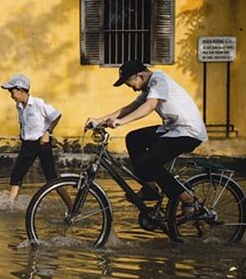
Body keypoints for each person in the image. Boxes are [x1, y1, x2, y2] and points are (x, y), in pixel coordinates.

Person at [85, 59, 208, 218]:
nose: (132, 89)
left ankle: (188, 199)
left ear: (140, 76)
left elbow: (149, 107)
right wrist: (100, 120)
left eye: (131, 84)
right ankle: (150, 188)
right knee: (134, 139)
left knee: (149, 161)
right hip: (173, 129)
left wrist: (121, 122)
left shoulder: (159, 80)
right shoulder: (149, 87)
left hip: (188, 131)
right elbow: (130, 108)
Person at [1, 74, 62, 201]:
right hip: (27, 145)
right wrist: (22, 134)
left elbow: (56, 116)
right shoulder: (19, 106)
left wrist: (48, 132)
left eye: (12, 92)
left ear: (20, 90)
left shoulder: (38, 103)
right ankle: (10, 205)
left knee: (52, 179)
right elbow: (24, 123)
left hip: (42, 144)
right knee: (16, 175)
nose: (11, 96)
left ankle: (72, 207)